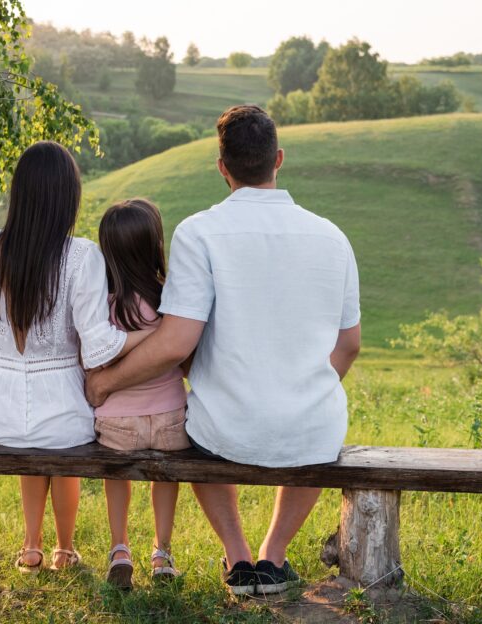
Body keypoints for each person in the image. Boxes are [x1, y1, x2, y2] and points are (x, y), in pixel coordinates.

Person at [86, 105, 362, 596]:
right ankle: (272, 559)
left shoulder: (199, 232)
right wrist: (302, 391)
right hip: (311, 423)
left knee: (199, 425)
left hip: (225, 425)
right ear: (278, 159)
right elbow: (349, 345)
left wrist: (106, 381)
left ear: (222, 166)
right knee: (317, 431)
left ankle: (238, 558)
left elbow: (175, 343)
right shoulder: (333, 237)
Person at [0, 141, 152, 574]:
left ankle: (31, 546)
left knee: (34, 451)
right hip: (64, 407)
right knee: (61, 446)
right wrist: (149, 333)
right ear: (67, 197)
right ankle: (64, 549)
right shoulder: (81, 255)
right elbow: (101, 344)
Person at [93, 198, 189, 590]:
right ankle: (162, 554)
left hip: (116, 423)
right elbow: (183, 359)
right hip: (170, 420)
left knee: (117, 474)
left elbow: (94, 363)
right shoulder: (171, 300)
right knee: (165, 477)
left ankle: (120, 548)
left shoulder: (104, 304)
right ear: (155, 245)